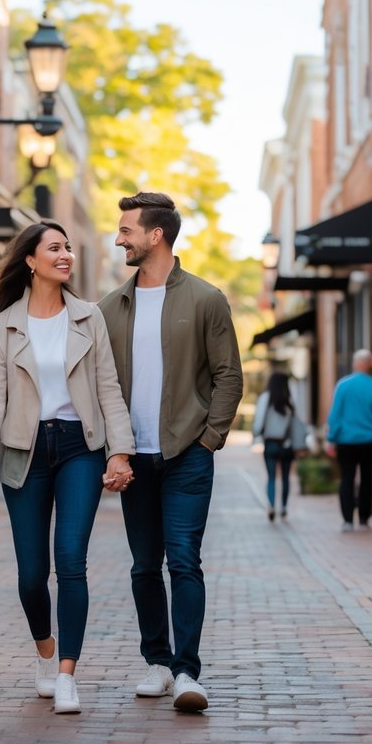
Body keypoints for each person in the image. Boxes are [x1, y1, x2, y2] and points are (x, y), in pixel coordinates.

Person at [0, 221, 135, 715]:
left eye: (68, 248)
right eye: (54, 248)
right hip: (24, 451)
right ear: (31, 261)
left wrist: (118, 450)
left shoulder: (89, 319)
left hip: (79, 448)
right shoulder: (4, 326)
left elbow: (109, 390)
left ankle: (66, 674)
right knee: (30, 574)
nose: (65, 255)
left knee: (71, 562)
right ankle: (43, 650)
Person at [98, 192, 243, 713]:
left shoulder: (206, 299)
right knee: (143, 566)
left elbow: (229, 374)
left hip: (187, 455)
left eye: (126, 230)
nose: (119, 239)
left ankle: (186, 671)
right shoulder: (110, 307)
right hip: (134, 459)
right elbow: (97, 382)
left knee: (183, 561)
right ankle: (156, 662)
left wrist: (210, 438)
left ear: (155, 235)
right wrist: (113, 451)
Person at [326, 349, 372, 532]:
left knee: (346, 478)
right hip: (369, 443)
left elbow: (335, 416)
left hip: (346, 442)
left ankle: (347, 520)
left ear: (355, 364)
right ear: (370, 364)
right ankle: (364, 518)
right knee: (367, 479)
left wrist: (331, 439)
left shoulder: (343, 386)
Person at [252, 372, 309, 521]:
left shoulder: (265, 398)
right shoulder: (290, 401)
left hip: (270, 443)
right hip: (286, 445)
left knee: (271, 477)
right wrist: (300, 444)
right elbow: (297, 425)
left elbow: (258, 423)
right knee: (285, 478)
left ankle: (271, 505)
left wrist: (256, 434)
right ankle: (283, 507)